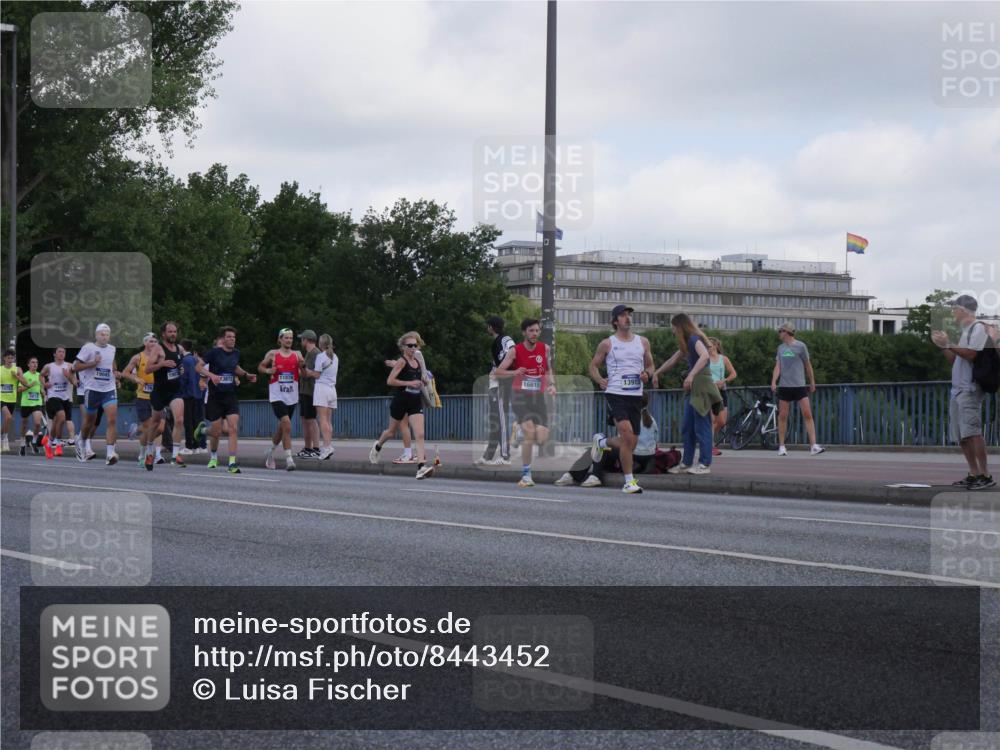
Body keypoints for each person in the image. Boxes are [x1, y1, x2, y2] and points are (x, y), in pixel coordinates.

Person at [587, 304, 655, 494]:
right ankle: (629, 482)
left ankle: (601, 443)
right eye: (623, 315)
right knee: (626, 434)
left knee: (631, 443)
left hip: (635, 394)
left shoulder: (643, 342)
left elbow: (650, 366)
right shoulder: (607, 343)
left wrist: (647, 375)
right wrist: (600, 380)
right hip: (616, 393)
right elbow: (593, 366)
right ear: (615, 321)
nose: (627, 318)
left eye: (629, 315)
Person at [932, 295, 994, 489]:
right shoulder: (965, 331)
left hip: (969, 388)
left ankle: (985, 475)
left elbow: (972, 354)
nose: (953, 312)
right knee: (962, 435)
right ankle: (973, 473)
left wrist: (949, 343)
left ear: (963, 310)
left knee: (973, 432)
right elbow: (956, 359)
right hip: (958, 389)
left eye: (955, 308)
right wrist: (944, 346)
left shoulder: (977, 329)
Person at [654, 313, 720, 475]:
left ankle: (704, 464)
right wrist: (657, 372)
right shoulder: (687, 343)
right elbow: (673, 360)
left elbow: (704, 357)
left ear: (679, 326)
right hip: (694, 387)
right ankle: (686, 463)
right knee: (687, 427)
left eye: (673, 329)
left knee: (701, 425)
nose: (673, 332)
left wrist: (690, 376)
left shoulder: (693, 339)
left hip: (701, 385)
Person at [495, 318, 556, 488]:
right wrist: (515, 371)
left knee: (542, 437)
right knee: (529, 435)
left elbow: (549, 370)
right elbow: (498, 372)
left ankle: (518, 430)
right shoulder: (515, 351)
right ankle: (526, 474)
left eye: (537, 330)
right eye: (531, 330)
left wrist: (551, 385)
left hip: (539, 397)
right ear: (524, 332)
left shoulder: (545, 349)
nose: (534, 333)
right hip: (520, 396)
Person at [369, 331, 435, 479]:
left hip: (414, 400)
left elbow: (419, 377)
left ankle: (421, 467)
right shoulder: (402, 361)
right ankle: (378, 446)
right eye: (410, 346)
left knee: (420, 434)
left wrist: (423, 381)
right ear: (403, 347)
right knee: (391, 432)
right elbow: (390, 381)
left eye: (415, 345)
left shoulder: (417, 361)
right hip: (400, 400)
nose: (413, 348)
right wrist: (409, 383)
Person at [556, 391, 659, 487]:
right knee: (601, 446)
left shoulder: (629, 418)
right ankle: (585, 475)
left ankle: (583, 475)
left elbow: (624, 442)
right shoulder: (651, 420)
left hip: (633, 454)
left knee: (598, 448)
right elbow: (656, 440)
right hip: (648, 456)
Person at [196, 326, 258, 473]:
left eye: (234, 337)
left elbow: (234, 367)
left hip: (230, 396)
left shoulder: (236, 353)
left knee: (233, 428)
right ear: (223, 339)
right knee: (216, 432)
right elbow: (198, 367)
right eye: (229, 337)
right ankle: (213, 455)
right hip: (215, 397)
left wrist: (246, 375)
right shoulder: (214, 353)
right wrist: (211, 376)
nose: (232, 339)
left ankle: (232, 463)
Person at [771, 322, 824, 456]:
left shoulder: (801, 346)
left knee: (807, 414)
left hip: (799, 385)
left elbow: (808, 365)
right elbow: (778, 366)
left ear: (787, 332)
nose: (779, 333)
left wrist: (812, 382)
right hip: (784, 386)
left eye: (780, 331)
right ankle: (782, 446)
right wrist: (773, 381)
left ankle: (813, 446)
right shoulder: (780, 348)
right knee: (783, 416)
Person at [73, 323, 121, 465]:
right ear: (96, 335)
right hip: (92, 390)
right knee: (89, 422)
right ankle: (81, 442)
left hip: (109, 389)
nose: (104, 336)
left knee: (112, 420)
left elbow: (112, 364)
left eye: (106, 334)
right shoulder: (89, 348)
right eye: (101, 334)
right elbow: (75, 366)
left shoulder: (112, 349)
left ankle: (110, 454)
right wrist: (93, 363)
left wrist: (116, 374)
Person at [259, 328, 305, 471]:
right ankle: (289, 460)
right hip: (277, 395)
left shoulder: (297, 354)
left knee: (283, 427)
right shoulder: (273, 354)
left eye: (291, 338)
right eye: (286, 338)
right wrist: (268, 371)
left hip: (291, 396)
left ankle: (271, 451)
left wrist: (303, 367)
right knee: (287, 424)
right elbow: (260, 366)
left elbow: (303, 372)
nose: (289, 340)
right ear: (280, 339)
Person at [145, 321, 188, 469]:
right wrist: (161, 364)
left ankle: (176, 455)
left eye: (175, 331)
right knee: (156, 423)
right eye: (170, 332)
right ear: (164, 334)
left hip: (175, 391)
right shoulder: (158, 349)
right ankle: (149, 452)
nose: (173, 334)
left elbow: (180, 364)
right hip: (159, 392)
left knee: (180, 419)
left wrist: (181, 369)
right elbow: (148, 369)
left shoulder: (179, 348)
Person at [476, 315, 515, 467]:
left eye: (488, 326)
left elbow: (512, 351)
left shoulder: (504, 339)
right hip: (495, 384)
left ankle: (505, 456)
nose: (487, 328)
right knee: (495, 421)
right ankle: (488, 456)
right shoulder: (497, 342)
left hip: (501, 383)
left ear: (491, 327)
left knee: (501, 420)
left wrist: (501, 370)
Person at [122, 333, 158, 469]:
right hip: (143, 397)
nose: (153, 343)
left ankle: (136, 430)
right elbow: (125, 372)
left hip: (157, 397)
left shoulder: (161, 357)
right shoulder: (138, 357)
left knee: (158, 428)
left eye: (155, 341)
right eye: (150, 341)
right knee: (149, 427)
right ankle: (144, 455)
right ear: (145, 343)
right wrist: (136, 379)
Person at [307, 333, 338, 460]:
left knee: (322, 420)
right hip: (332, 389)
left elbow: (317, 375)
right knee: (328, 421)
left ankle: (326, 447)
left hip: (322, 389)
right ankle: (329, 445)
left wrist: (306, 370)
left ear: (321, 344)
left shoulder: (321, 356)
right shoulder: (335, 357)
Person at [42, 347, 77, 457]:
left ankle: (49, 443)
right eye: (59, 352)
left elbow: (74, 382)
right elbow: (41, 375)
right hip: (53, 396)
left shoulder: (70, 366)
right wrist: (44, 384)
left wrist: (68, 376)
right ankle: (57, 443)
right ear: (54, 354)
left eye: (63, 352)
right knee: (61, 417)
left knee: (57, 421)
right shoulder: (49, 366)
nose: (62, 354)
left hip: (65, 397)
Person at [708, 337, 737, 456]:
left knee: (721, 421)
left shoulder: (723, 359)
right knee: (712, 420)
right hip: (709, 391)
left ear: (715, 346)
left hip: (721, 391)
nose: (707, 348)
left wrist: (724, 380)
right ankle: (710, 445)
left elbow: (734, 374)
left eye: (709, 346)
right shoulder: (705, 359)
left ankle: (707, 438)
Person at [297, 330, 321, 459]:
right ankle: (307, 447)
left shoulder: (314, 353)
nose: (301, 342)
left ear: (306, 340)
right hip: (305, 390)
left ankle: (316, 448)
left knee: (311, 419)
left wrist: (297, 369)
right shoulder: (309, 353)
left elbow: (307, 373)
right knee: (305, 419)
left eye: (302, 339)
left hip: (311, 391)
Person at [179, 340, 206, 454]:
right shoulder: (196, 360)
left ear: (183, 347)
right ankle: (198, 445)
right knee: (197, 421)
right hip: (197, 394)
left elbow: (183, 378)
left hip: (187, 394)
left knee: (188, 421)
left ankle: (189, 446)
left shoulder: (184, 361)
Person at [17, 356, 45, 455]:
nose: (35, 364)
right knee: (24, 425)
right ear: (28, 364)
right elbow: (19, 390)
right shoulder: (24, 375)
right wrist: (29, 386)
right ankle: (22, 444)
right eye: (32, 362)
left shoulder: (40, 376)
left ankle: (33, 442)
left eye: (36, 363)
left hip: (37, 403)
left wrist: (43, 392)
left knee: (37, 424)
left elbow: (42, 389)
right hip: (26, 403)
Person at [2, 349, 27, 454]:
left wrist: (16, 376)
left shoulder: (18, 369)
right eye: (8, 358)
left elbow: (25, 382)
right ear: (4, 358)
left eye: (12, 358)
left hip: (12, 399)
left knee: (9, 419)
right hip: (1, 398)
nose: (10, 360)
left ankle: (2, 436)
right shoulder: (0, 369)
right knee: (8, 417)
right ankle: (5, 439)